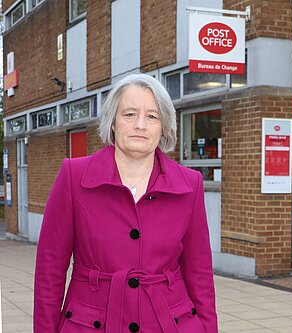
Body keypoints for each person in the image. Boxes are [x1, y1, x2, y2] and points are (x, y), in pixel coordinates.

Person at [34, 74, 218, 332]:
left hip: (168, 323)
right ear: (113, 123)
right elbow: (49, 269)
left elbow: (199, 274)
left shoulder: (190, 184)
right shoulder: (74, 176)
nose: (140, 125)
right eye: (129, 114)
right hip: (90, 323)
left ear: (164, 126)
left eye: (152, 116)